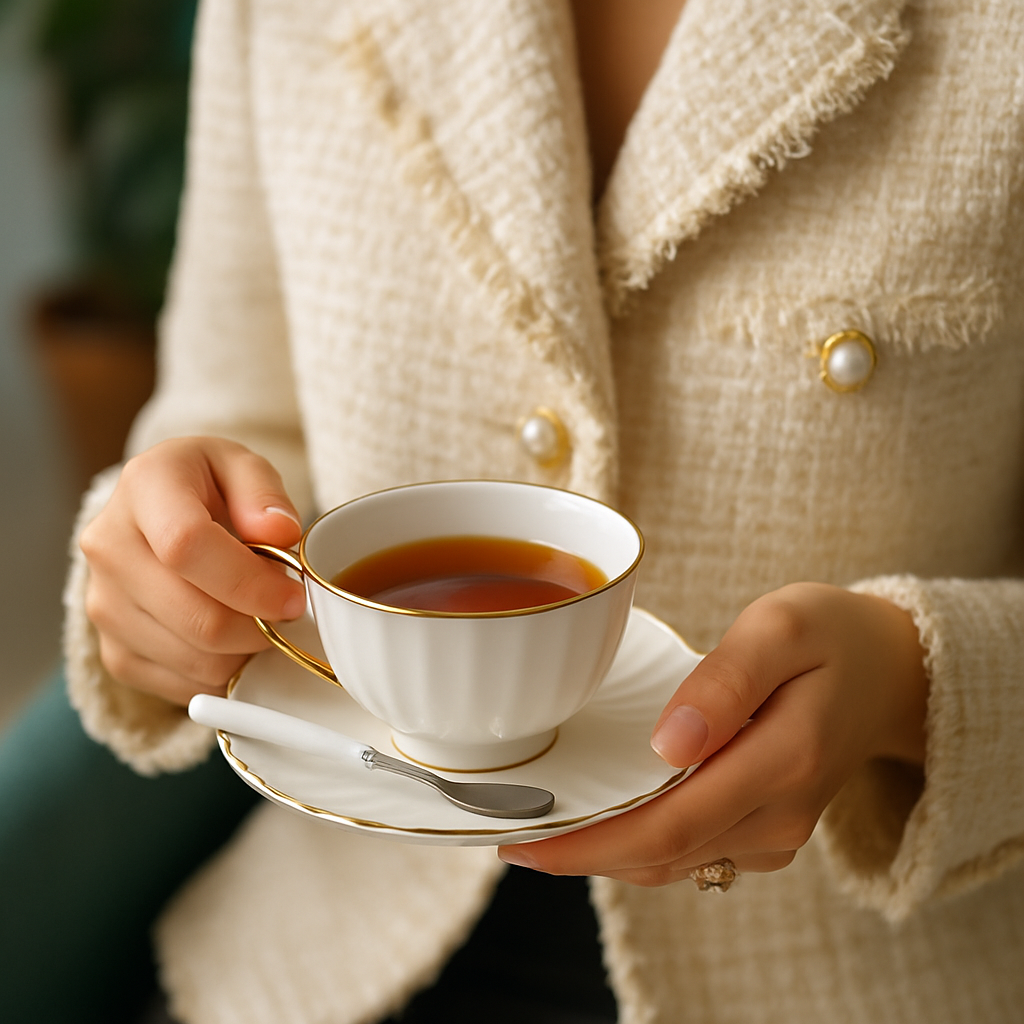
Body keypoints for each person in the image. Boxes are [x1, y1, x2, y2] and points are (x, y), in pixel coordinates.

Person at [43, 0, 1024, 1021]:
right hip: (327, 940)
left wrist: (913, 682)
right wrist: (164, 551)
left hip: (871, 967)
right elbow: (229, 414)